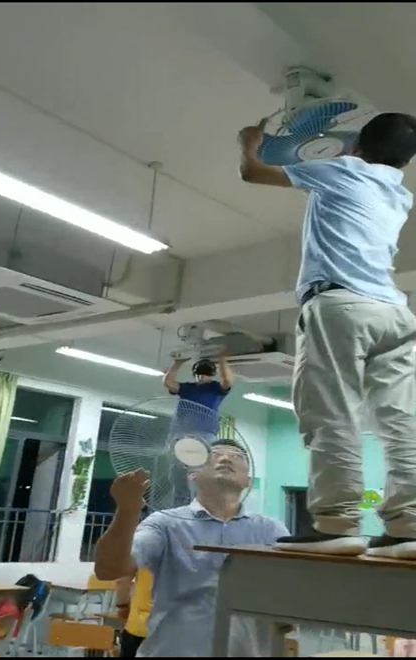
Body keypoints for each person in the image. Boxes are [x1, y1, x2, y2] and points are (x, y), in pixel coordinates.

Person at [238, 112, 416, 558]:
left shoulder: (344, 169)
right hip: (395, 314)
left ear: (356, 146)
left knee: (332, 413)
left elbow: (253, 171)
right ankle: (409, 527)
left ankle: (337, 524)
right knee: (400, 422)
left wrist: (250, 139)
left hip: (342, 305)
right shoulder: (399, 193)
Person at [95, 438, 289, 657]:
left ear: (248, 481)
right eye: (215, 454)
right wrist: (127, 510)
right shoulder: (165, 524)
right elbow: (108, 569)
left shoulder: (270, 530)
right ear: (193, 474)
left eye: (237, 456)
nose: (226, 458)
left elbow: (292, 596)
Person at [116, 569, 152, 658]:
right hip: (175, 629)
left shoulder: (141, 559)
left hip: (139, 626)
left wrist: (122, 607)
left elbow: (122, 582)